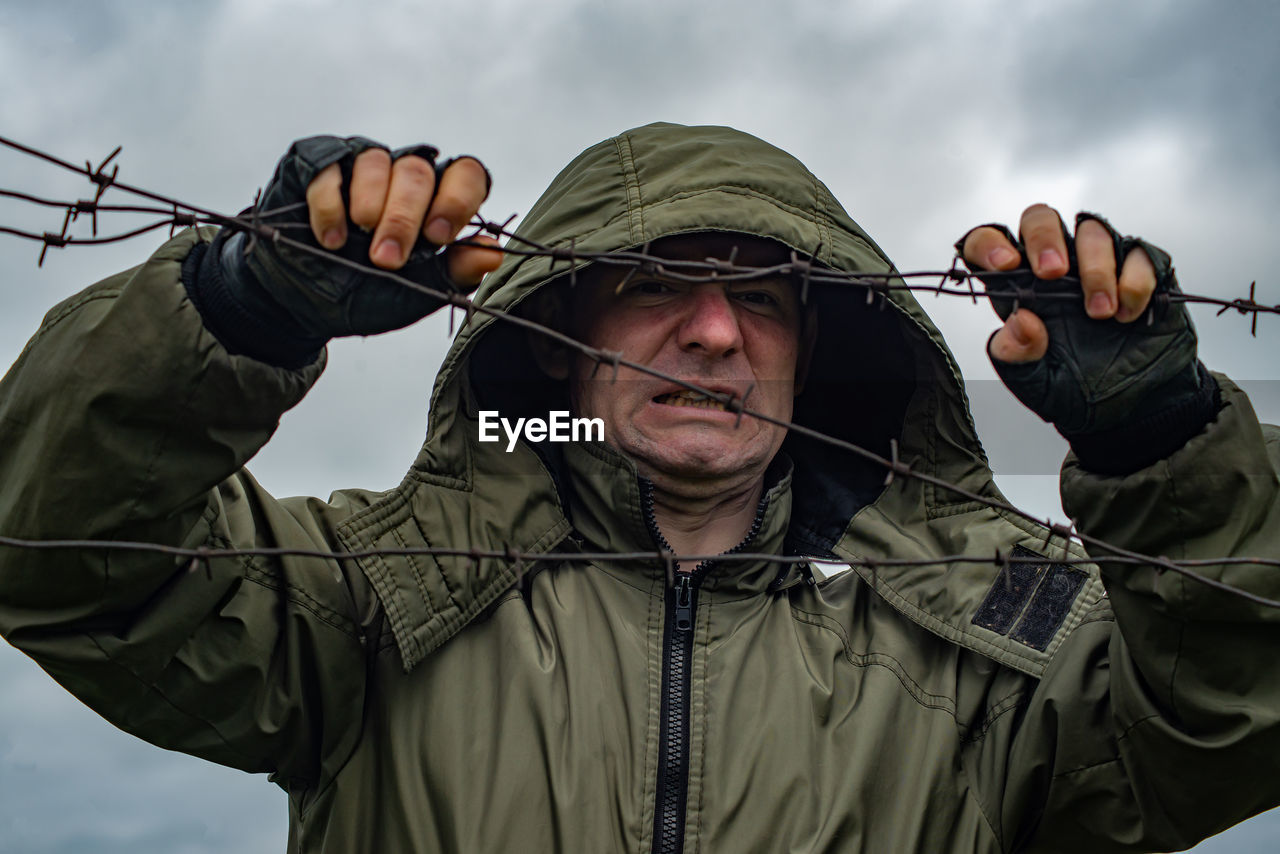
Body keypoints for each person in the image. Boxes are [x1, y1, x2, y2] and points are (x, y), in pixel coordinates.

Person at [1, 122, 1277, 853]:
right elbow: (60, 556)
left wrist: (1163, 451)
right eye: (658, 285)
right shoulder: (374, 609)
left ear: (815, 352)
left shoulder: (989, 661)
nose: (715, 334)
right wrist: (241, 306)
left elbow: (1229, 720)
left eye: (763, 298)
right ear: (557, 334)